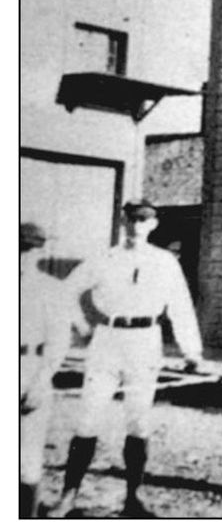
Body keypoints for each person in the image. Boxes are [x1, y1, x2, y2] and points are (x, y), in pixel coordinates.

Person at [57, 201, 204, 519]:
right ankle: (68, 495)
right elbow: (68, 289)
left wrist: (191, 349)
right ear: (123, 220)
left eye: (144, 220)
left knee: (139, 420)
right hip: (108, 338)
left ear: (153, 225)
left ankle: (132, 498)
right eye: (133, 218)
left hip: (145, 341)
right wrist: (82, 326)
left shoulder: (164, 262)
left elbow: (180, 305)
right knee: (88, 416)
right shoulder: (105, 258)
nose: (138, 225)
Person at [21, 222, 71, 519]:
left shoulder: (51, 288)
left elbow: (58, 342)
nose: (21, 258)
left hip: (30, 367)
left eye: (29, 251)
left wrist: (41, 382)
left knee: (27, 460)